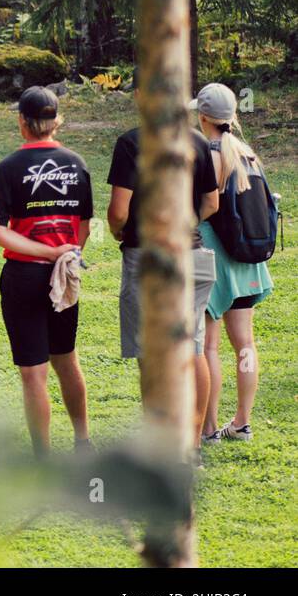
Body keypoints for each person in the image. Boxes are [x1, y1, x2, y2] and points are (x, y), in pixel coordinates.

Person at [106, 100, 218, 460]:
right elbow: (212, 202)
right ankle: (193, 445)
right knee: (194, 348)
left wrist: (120, 231)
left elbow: (119, 211)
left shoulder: (131, 142)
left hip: (148, 256)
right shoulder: (199, 142)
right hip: (195, 256)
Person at [0, 87, 93, 457]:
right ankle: (83, 442)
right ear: (56, 121)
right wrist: (62, 253)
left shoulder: (9, 167)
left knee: (34, 372)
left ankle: (43, 458)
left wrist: (42, 251)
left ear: (22, 122)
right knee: (67, 359)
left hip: (23, 277)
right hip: (64, 277)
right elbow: (83, 228)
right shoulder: (76, 162)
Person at [192, 84, 273, 445]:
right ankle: (242, 422)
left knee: (208, 346)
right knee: (244, 344)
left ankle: (208, 429)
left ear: (203, 116)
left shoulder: (206, 154)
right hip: (247, 259)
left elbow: (206, 207)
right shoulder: (248, 152)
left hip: (213, 256)